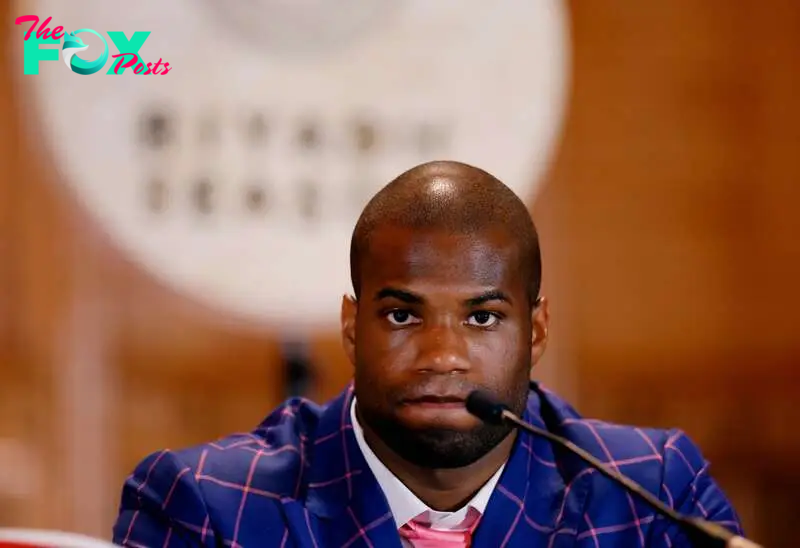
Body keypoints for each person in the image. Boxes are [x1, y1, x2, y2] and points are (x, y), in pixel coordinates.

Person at [112, 161, 743, 547]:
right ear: (352, 325)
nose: (443, 355)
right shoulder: (209, 506)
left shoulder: (651, 494)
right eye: (403, 315)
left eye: (482, 317)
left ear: (537, 330)